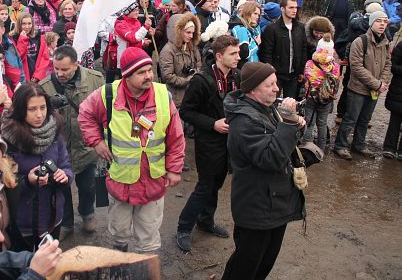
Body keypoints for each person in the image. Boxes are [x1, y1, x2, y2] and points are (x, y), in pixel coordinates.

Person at [79, 47, 185, 253]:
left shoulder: (163, 96)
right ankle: (121, 262)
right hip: (121, 183)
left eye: (149, 70)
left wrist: (174, 169)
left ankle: (146, 268)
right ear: (126, 75)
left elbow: (176, 136)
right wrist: (96, 141)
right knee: (119, 233)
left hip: (153, 183)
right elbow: (85, 113)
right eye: (141, 72)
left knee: (149, 237)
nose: (149, 76)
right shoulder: (107, 94)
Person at [221, 62, 305, 280]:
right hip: (256, 208)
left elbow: (282, 144)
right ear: (252, 90)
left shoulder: (267, 109)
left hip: (274, 203)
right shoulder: (244, 122)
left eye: (276, 83)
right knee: (245, 267)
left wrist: (295, 123)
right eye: (270, 85)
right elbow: (271, 158)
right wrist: (288, 124)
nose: (277, 89)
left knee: (264, 263)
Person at [176, 35, 241, 252]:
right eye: (233, 54)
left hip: (228, 141)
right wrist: (213, 124)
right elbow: (185, 111)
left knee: (217, 183)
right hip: (209, 141)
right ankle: (184, 227)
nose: (238, 57)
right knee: (205, 186)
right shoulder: (202, 80)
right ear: (219, 56)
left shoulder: (236, 77)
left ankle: (205, 221)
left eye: (238, 53)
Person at [39, 45, 104, 238]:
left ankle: (87, 213)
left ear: (76, 65)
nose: (59, 73)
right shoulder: (44, 87)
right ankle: (65, 221)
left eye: (64, 69)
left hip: (86, 147)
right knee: (61, 189)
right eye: (56, 69)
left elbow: (105, 111)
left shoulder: (95, 80)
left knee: (88, 185)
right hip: (59, 151)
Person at [0, 83, 73, 250]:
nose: (39, 115)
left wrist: (65, 176)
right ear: (19, 110)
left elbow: (66, 166)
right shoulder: (8, 141)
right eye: (32, 109)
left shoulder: (55, 133)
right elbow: (3, 183)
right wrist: (27, 181)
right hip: (23, 220)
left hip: (53, 217)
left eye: (43, 107)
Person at [334, 11, 392, 160]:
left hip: (375, 90)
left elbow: (387, 64)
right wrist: (377, 84)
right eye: (378, 21)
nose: (382, 24)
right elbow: (356, 67)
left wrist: (383, 82)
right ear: (371, 23)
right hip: (358, 88)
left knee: (365, 119)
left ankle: (359, 144)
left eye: (385, 22)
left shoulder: (385, 43)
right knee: (351, 118)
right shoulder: (360, 41)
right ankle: (340, 145)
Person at [260, 0, 307, 98]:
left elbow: (303, 49)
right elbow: (266, 53)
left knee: (289, 107)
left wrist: (301, 70)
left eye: (296, 8)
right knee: (271, 103)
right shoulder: (272, 29)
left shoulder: (300, 28)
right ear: (282, 9)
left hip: (294, 75)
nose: (294, 10)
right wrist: (270, 72)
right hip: (277, 75)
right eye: (291, 7)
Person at [302, 34, 339, 152]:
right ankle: (321, 149)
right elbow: (336, 81)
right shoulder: (335, 66)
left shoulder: (310, 64)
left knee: (309, 122)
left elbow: (307, 77)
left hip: (311, 97)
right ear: (331, 50)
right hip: (326, 98)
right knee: (322, 124)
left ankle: (307, 147)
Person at [159, 12, 202, 108]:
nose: (191, 36)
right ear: (178, 31)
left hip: (192, 97)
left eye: (192, 33)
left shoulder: (192, 46)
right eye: (188, 32)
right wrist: (189, 80)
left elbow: (199, 64)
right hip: (177, 100)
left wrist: (196, 75)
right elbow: (168, 76)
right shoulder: (167, 51)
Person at [11, 13, 50, 83]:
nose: (27, 27)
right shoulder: (13, 39)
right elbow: (18, 58)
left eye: (29, 23)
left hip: (36, 77)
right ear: (19, 25)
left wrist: (37, 76)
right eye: (24, 24)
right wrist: (22, 40)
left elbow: (44, 58)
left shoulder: (39, 38)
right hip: (21, 78)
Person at [114, 1, 152, 67]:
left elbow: (137, 37)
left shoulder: (136, 21)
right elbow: (133, 38)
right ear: (127, 12)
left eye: (138, 10)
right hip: (125, 59)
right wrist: (146, 27)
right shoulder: (120, 25)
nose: (137, 12)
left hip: (136, 57)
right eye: (134, 10)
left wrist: (143, 42)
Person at [383, 40, 402, 159]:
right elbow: (392, 65)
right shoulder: (401, 45)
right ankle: (389, 148)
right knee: (394, 121)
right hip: (399, 90)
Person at [230, 1, 262, 66]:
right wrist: (256, 43)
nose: (257, 17)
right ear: (248, 13)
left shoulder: (250, 28)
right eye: (255, 13)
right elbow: (244, 53)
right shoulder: (240, 29)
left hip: (251, 68)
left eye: (258, 15)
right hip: (244, 69)